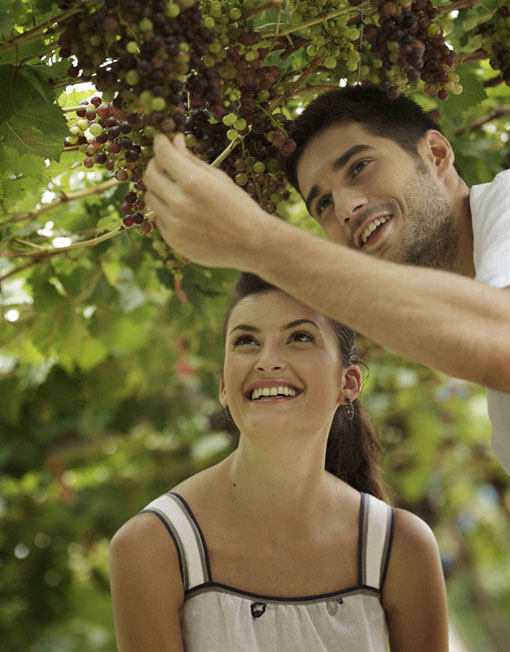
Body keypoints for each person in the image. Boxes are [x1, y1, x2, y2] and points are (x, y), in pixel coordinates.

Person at [143, 83, 510, 597]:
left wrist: (258, 241)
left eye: (359, 167)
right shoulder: (505, 404)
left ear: (437, 153)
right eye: (322, 205)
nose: (345, 207)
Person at [109, 272, 449, 651]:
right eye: (246, 342)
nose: (267, 361)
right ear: (223, 385)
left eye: (300, 337)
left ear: (348, 382)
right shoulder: (152, 547)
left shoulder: (402, 548)